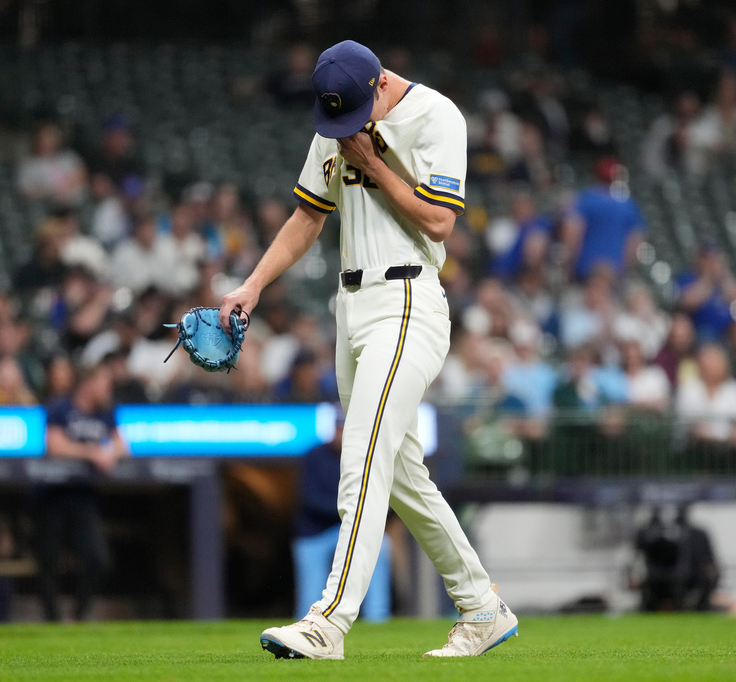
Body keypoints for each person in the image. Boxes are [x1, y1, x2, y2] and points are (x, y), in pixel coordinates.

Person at [221, 41, 517, 660]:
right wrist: (253, 284)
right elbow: (308, 217)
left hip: (407, 298)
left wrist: (376, 164)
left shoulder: (437, 116)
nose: (346, 128)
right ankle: (482, 607)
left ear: (380, 83)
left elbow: (440, 223)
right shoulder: (339, 116)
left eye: (355, 114)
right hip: (350, 307)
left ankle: (329, 621)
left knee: (361, 453)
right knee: (405, 477)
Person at [35, 360, 129, 621]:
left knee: (97, 559)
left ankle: (78, 616)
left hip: (83, 496)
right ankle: (52, 621)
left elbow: (123, 445)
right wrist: (91, 452)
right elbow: (54, 445)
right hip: (51, 495)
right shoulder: (60, 407)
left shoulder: (105, 412)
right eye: (104, 382)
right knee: (48, 561)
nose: (108, 388)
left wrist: (110, 452)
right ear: (88, 383)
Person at [294, 415, 391, 622]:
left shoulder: (366, 455)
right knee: (311, 587)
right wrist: (350, 512)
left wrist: (355, 516)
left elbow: (380, 496)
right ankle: (307, 622)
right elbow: (309, 499)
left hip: (354, 526)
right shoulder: (315, 455)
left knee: (381, 545)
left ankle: (378, 618)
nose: (342, 433)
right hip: (318, 530)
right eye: (339, 427)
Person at [564, 157, 646, 281]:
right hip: (614, 274)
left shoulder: (584, 199)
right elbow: (635, 243)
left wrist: (568, 265)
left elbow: (572, 233)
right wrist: (624, 270)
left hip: (584, 272)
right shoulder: (628, 205)